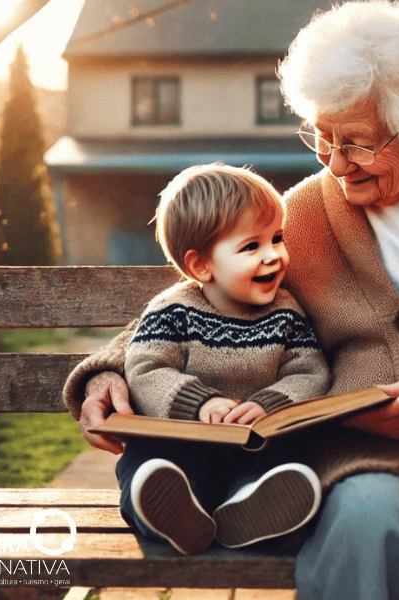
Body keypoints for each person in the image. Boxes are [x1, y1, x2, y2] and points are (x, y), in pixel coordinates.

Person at [63, 1, 399, 598]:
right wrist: (110, 369)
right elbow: (204, 292)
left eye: (355, 142)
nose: (333, 162)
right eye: (321, 136)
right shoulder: (304, 212)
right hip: (362, 448)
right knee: (363, 525)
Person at [104, 163, 330, 555]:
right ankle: (167, 512)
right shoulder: (173, 310)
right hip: (180, 444)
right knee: (149, 465)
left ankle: (253, 510)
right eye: (251, 247)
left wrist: (269, 404)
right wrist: (200, 402)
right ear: (199, 265)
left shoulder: (286, 312)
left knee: (271, 466)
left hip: (253, 445)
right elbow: (146, 369)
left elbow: (309, 371)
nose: (273, 256)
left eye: (277, 239)